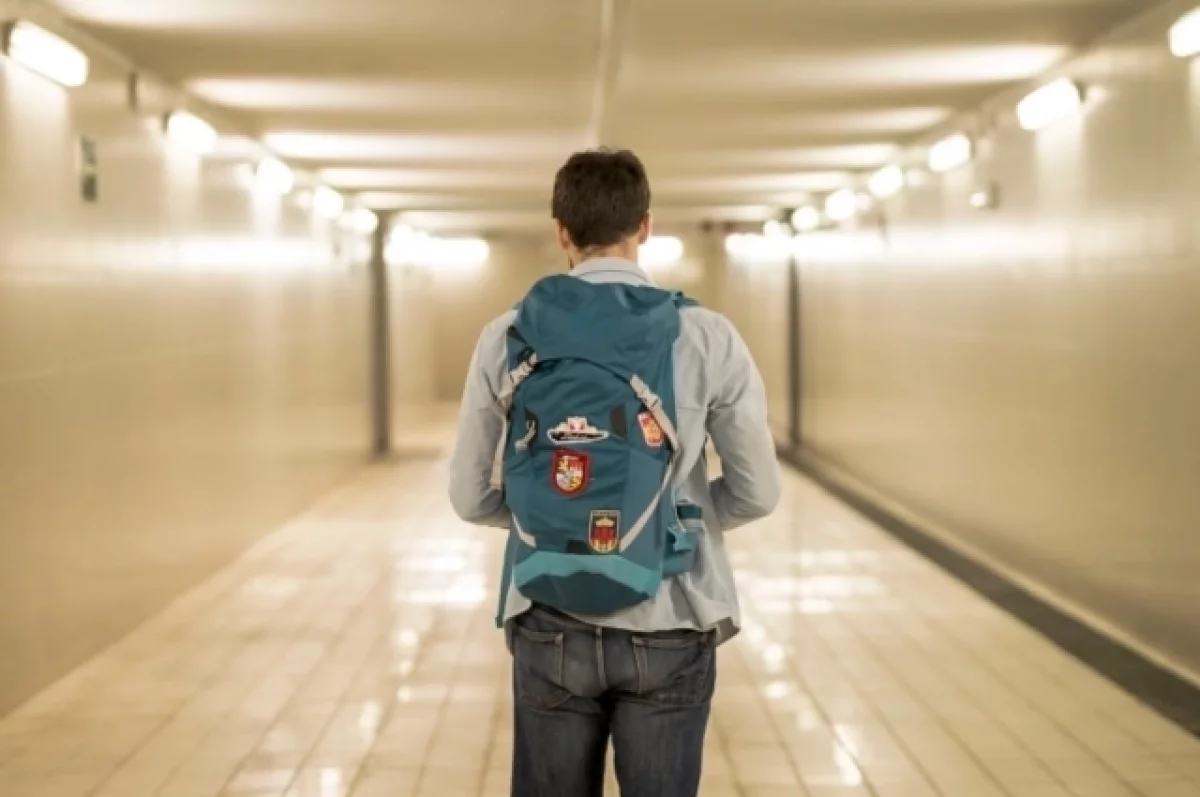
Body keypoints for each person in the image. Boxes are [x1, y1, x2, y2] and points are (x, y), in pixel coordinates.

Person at [449, 148, 781, 797]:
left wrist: (549, 520)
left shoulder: (507, 335)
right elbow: (758, 491)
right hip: (672, 611)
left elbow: (468, 496)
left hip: (548, 610)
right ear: (645, 225)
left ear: (562, 232)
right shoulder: (707, 335)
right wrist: (665, 523)